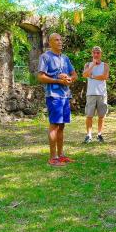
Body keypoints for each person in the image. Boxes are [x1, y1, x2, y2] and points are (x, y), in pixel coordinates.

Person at [37, 33, 77, 166]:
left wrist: (70, 79)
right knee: (54, 125)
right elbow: (41, 77)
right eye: (56, 40)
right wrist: (58, 80)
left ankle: (61, 155)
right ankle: (52, 158)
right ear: (50, 43)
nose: (60, 42)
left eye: (61, 40)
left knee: (61, 126)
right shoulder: (45, 57)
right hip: (53, 95)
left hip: (65, 95)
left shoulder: (65, 58)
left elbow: (74, 74)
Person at [82, 46, 110, 143]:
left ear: (101, 54)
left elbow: (105, 76)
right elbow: (85, 75)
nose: (96, 55)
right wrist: (93, 65)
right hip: (91, 94)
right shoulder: (88, 64)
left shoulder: (105, 65)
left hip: (102, 94)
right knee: (89, 116)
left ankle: (99, 135)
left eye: (98, 53)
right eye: (94, 53)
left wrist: (92, 76)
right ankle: (89, 135)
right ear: (92, 54)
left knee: (101, 116)